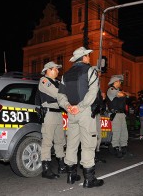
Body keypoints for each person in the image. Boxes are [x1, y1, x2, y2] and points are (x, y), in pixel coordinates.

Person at [57, 46, 104, 188]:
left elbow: (60, 95)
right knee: (88, 144)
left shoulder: (66, 74)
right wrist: (81, 106)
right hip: (84, 111)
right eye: (88, 56)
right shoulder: (90, 70)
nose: (89, 58)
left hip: (71, 112)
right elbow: (93, 91)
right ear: (83, 57)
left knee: (71, 143)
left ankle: (71, 175)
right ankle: (89, 179)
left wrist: (68, 106)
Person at [38, 61, 66, 179]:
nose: (58, 71)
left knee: (60, 141)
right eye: (56, 69)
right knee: (47, 142)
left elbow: (65, 93)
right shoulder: (44, 81)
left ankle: (62, 165)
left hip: (58, 114)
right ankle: (46, 169)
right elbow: (57, 94)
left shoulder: (58, 82)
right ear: (48, 70)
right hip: (49, 114)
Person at [106, 74, 131, 158]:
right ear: (115, 82)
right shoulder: (111, 89)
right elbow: (122, 95)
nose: (120, 83)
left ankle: (124, 149)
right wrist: (124, 93)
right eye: (119, 81)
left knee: (124, 133)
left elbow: (128, 94)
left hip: (121, 114)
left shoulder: (118, 90)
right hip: (115, 114)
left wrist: (124, 93)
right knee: (116, 132)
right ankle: (116, 149)